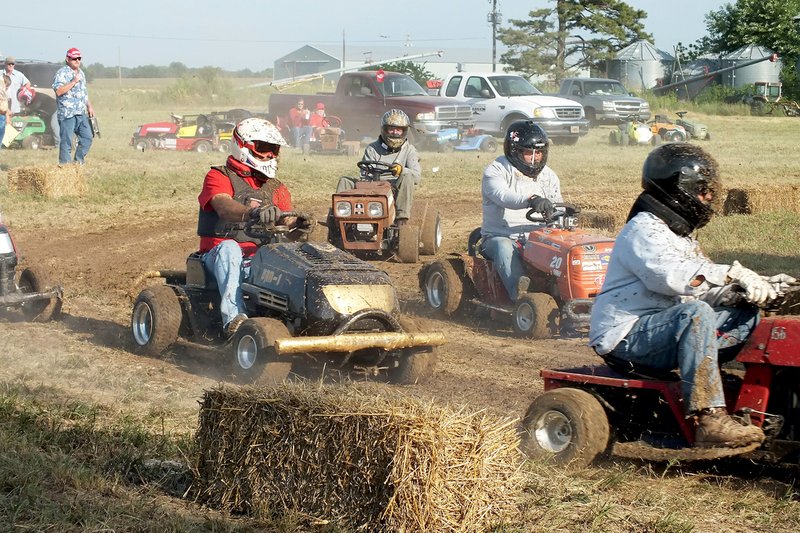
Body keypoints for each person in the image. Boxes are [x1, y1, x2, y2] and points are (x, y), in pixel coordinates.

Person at [589, 143, 795, 449]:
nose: (709, 198)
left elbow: (704, 286)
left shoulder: (680, 237)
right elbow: (672, 277)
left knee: (744, 312)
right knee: (696, 313)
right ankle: (710, 418)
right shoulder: (643, 230)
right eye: (703, 190)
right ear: (677, 188)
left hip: (663, 328)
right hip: (626, 336)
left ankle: (735, 392)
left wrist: (754, 288)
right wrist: (734, 274)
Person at [197, 117, 311, 337]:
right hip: (216, 256)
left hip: (258, 259)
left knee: (295, 263)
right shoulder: (219, 176)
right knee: (230, 249)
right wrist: (253, 212)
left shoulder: (276, 187)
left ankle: (301, 324)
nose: (269, 155)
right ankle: (235, 320)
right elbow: (222, 205)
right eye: (263, 148)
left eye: (273, 150)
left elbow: (286, 222)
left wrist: (300, 225)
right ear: (243, 146)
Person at [480, 120, 562, 301]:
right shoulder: (496, 170)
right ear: (514, 151)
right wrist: (531, 200)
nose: (535, 159)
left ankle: (565, 294)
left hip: (538, 238)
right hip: (501, 236)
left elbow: (557, 207)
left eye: (539, 153)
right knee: (503, 246)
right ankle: (521, 297)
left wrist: (559, 214)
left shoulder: (549, 176)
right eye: (528, 153)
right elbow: (503, 196)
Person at [335, 108, 421, 223]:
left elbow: (416, 177)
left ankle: (401, 219)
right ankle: (341, 216)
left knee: (407, 176)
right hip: (371, 185)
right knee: (345, 180)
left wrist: (401, 170)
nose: (395, 133)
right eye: (391, 129)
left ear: (404, 131)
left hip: (396, 188)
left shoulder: (410, 150)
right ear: (384, 130)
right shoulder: (372, 148)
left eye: (398, 130)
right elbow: (364, 174)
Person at [52, 48, 94, 164]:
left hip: (81, 112)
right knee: (67, 142)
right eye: (74, 58)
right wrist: (73, 82)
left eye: (79, 58)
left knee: (87, 137)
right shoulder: (62, 73)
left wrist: (89, 106)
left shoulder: (81, 73)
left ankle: (77, 163)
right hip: (67, 114)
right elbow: (59, 91)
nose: (77, 60)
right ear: (67, 59)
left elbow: (83, 93)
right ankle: (65, 167)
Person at [0, 75, 10, 150]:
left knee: (1, 133)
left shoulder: (4, 93)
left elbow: (5, 104)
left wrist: (7, 116)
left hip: (3, 114)